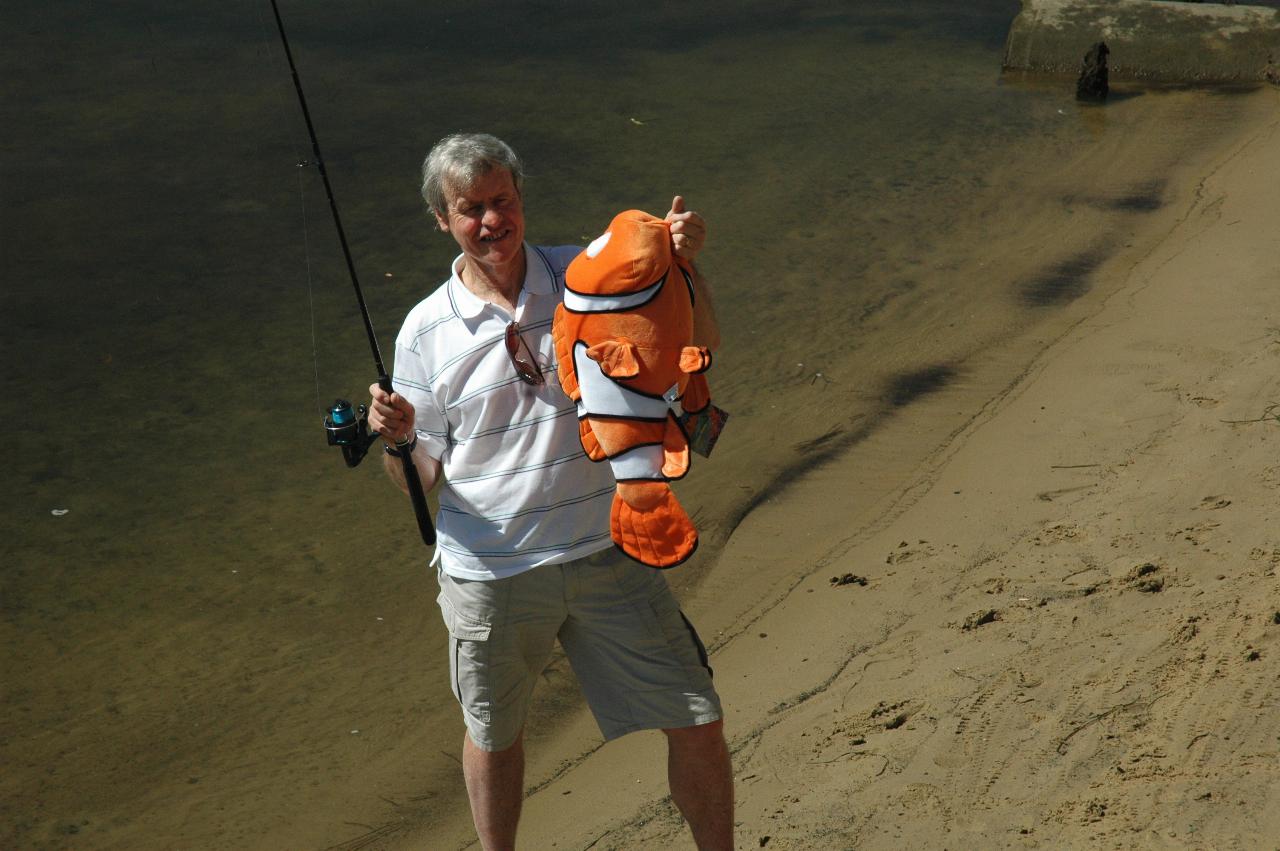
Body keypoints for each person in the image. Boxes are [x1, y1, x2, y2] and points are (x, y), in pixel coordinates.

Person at [367, 132, 733, 851]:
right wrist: (398, 439)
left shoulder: (585, 272)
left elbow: (700, 341)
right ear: (442, 219)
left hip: (610, 548)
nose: (491, 221)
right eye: (470, 209)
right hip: (491, 573)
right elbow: (421, 475)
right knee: (494, 735)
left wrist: (685, 264)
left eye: (501, 200)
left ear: (520, 198)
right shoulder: (423, 331)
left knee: (697, 715)